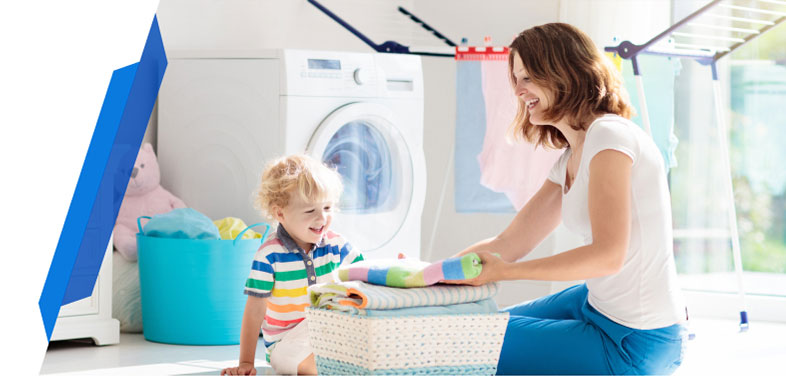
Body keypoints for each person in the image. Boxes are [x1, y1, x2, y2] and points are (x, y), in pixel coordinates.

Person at [454, 23, 687, 375]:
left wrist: (508, 272)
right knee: (464, 328)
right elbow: (508, 243)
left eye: (528, 78)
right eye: (516, 80)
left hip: (634, 339)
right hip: (596, 304)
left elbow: (607, 257)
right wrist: (427, 277)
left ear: (563, 73)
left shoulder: (609, 137)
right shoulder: (570, 156)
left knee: (469, 341)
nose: (518, 91)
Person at [222, 154, 364, 376]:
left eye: (327, 208)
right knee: (320, 366)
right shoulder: (269, 255)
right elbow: (254, 311)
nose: (322, 218)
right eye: (310, 211)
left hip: (328, 331)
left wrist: (392, 271)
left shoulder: (337, 244)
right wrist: (246, 363)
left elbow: (365, 275)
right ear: (280, 213)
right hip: (285, 342)